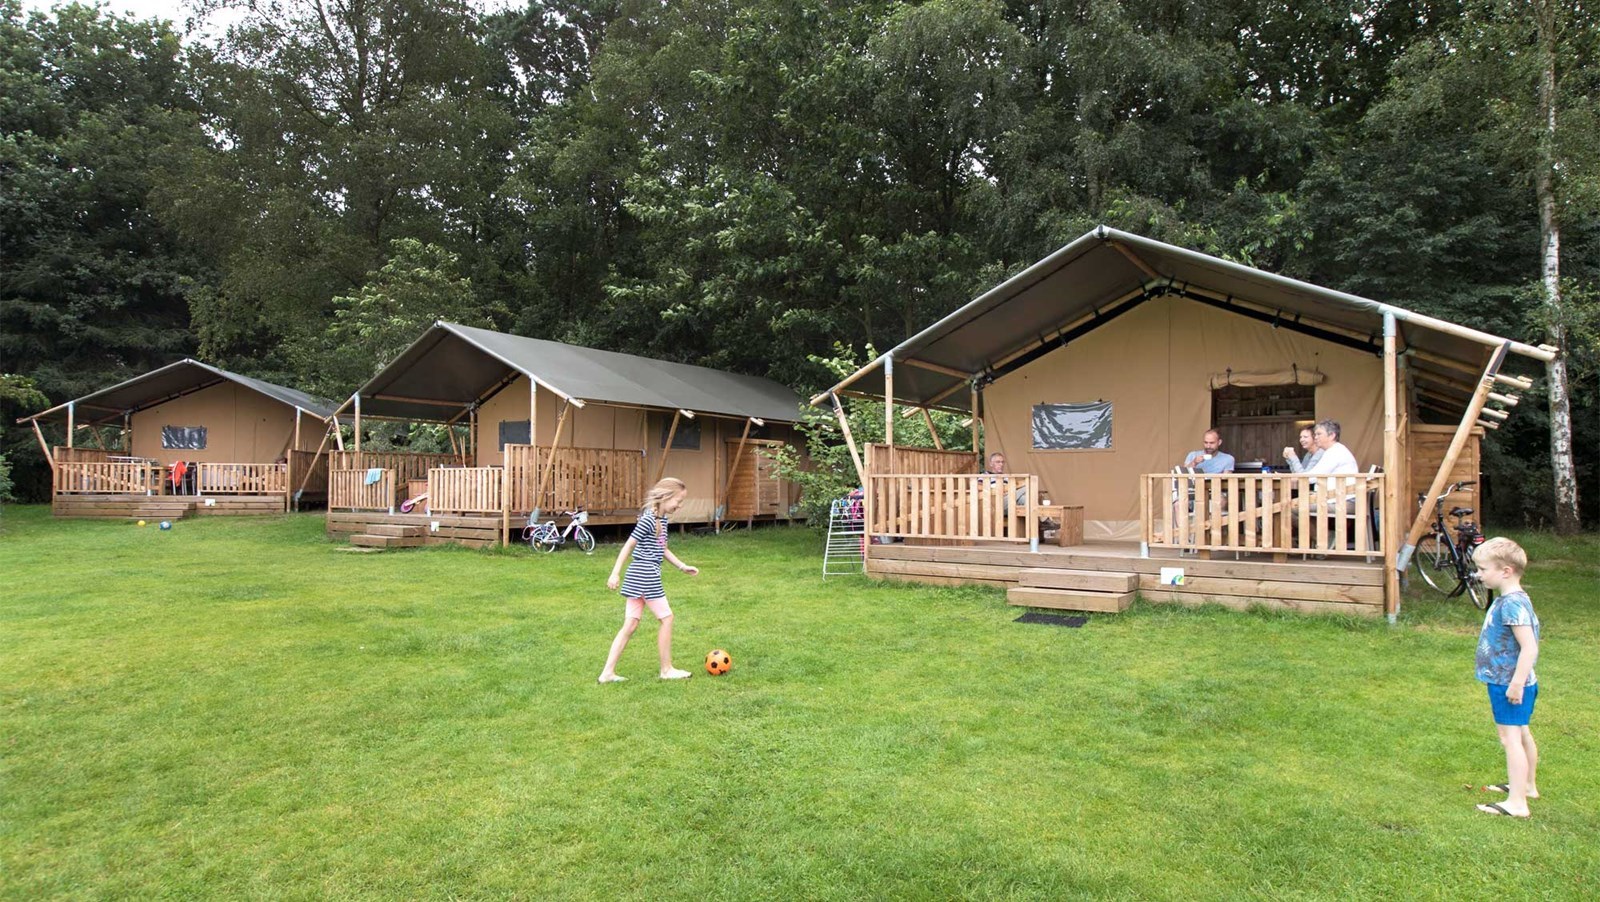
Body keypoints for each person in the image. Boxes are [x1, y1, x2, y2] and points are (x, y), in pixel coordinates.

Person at [598, 477, 699, 684]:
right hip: (646, 576)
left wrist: (682, 566)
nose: (679, 506)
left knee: (630, 625)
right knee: (667, 619)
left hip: (638, 577)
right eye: (678, 501)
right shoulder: (648, 520)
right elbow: (628, 545)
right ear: (665, 496)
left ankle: (607, 673)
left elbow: (662, 549)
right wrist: (615, 572)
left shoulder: (661, 520)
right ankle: (666, 669)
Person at [1472, 538, 1541, 818]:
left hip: (1508, 684)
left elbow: (1529, 647)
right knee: (1521, 732)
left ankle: (1517, 804)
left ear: (1506, 571)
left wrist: (1515, 683)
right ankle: (1526, 787)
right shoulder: (1514, 598)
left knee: (1509, 739)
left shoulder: (1512, 604)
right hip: (1515, 682)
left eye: (1483, 568)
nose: (1478, 574)